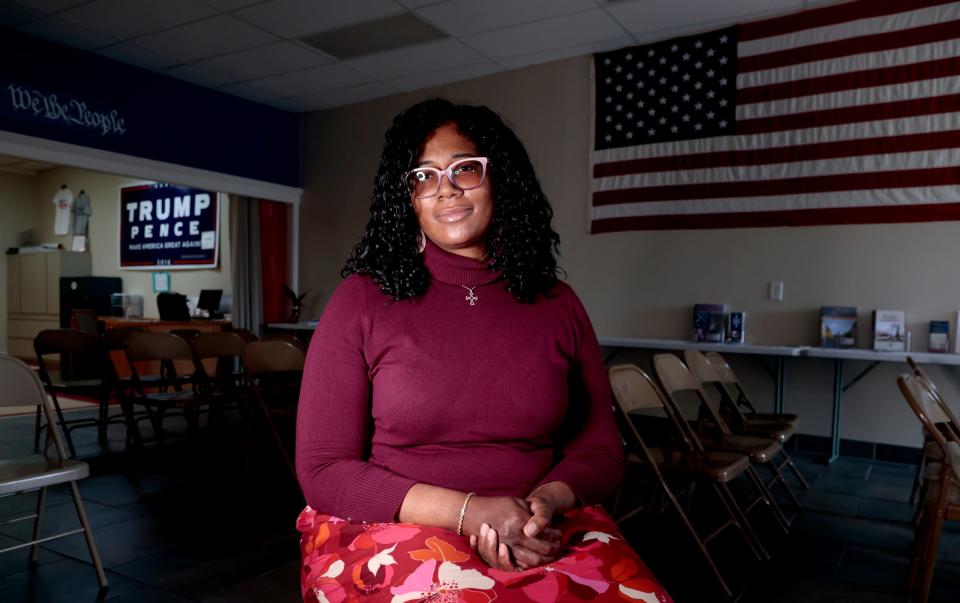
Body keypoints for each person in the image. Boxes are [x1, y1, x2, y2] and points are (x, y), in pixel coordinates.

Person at [296, 98, 671, 602]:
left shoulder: (558, 304)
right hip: (394, 527)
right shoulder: (362, 300)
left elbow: (599, 449)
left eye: (465, 168)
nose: (446, 187)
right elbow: (322, 468)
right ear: (407, 198)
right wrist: (471, 513)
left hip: (540, 525)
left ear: (500, 180)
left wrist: (540, 507)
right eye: (424, 176)